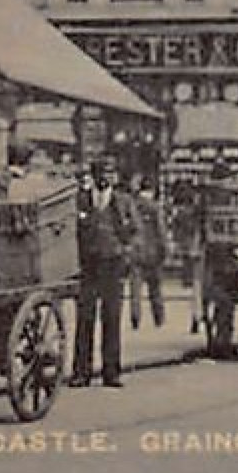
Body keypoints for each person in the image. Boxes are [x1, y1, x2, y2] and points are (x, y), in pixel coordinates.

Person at [71, 158, 135, 387]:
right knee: (85, 318)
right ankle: (81, 372)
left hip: (113, 264)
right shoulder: (81, 200)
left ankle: (111, 371)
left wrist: (126, 253)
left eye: (110, 172)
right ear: (94, 175)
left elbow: (134, 230)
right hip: (88, 264)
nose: (106, 177)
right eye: (102, 173)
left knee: (111, 318)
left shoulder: (123, 201)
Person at [127, 175, 168, 331]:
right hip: (153, 252)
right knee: (155, 288)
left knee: (135, 289)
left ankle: (135, 318)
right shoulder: (155, 207)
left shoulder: (133, 206)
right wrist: (164, 250)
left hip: (136, 251)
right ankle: (158, 317)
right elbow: (161, 230)